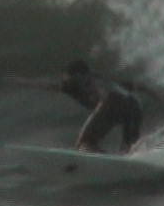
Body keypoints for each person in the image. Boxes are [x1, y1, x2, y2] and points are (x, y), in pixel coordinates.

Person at [9, 60, 143, 154]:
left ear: (76, 75)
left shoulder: (81, 83)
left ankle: (105, 158)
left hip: (115, 107)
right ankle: (130, 157)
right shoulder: (96, 80)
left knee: (84, 143)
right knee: (129, 148)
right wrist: (23, 82)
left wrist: (23, 82)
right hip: (133, 107)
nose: (64, 78)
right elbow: (135, 86)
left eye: (67, 76)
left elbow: (103, 92)